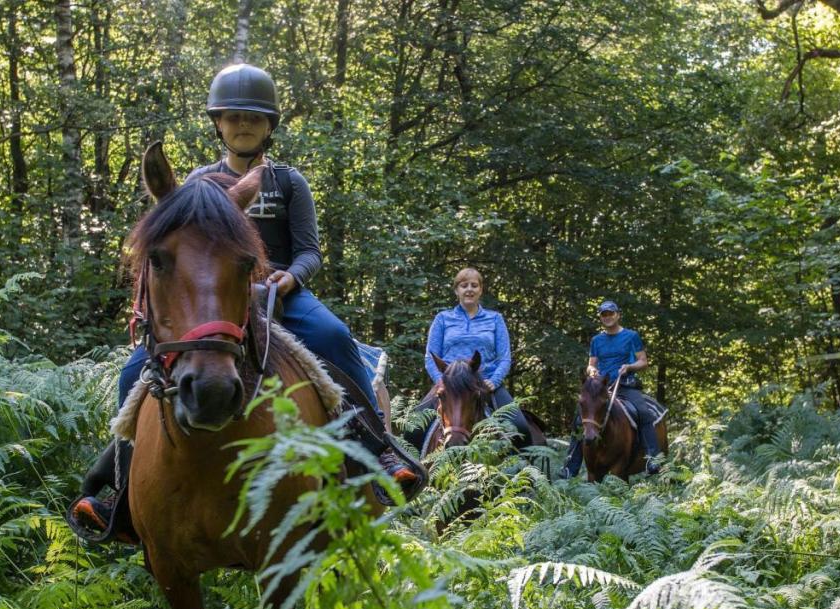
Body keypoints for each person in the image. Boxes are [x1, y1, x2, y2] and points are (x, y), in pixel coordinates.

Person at [71, 64, 418, 539]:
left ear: (270, 126)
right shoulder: (197, 182)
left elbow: (310, 250)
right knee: (136, 369)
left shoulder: (289, 182)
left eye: (254, 118)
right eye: (233, 117)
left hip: (281, 294)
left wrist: (290, 279)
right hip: (214, 297)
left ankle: (378, 448)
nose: (243, 125)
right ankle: (116, 489)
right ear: (218, 123)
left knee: (335, 338)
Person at [406, 267, 532, 449]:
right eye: (464, 285)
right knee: (413, 428)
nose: (469, 289)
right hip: (449, 384)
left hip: (485, 383)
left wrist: (494, 381)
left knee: (521, 427)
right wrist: (441, 382)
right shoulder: (442, 319)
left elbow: (504, 358)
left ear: (481, 290)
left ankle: (528, 474)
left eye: (474, 285)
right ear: (457, 290)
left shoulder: (495, 319)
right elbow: (430, 357)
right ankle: (412, 474)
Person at [561, 300, 662, 478]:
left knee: (644, 413)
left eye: (610, 313)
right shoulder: (596, 340)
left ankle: (652, 459)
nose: (607, 317)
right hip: (600, 388)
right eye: (603, 314)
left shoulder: (631, 336)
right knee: (580, 419)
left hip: (625, 385)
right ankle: (571, 465)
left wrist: (629, 367)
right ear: (600, 317)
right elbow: (591, 364)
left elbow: (643, 361)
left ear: (618, 315)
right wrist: (592, 370)